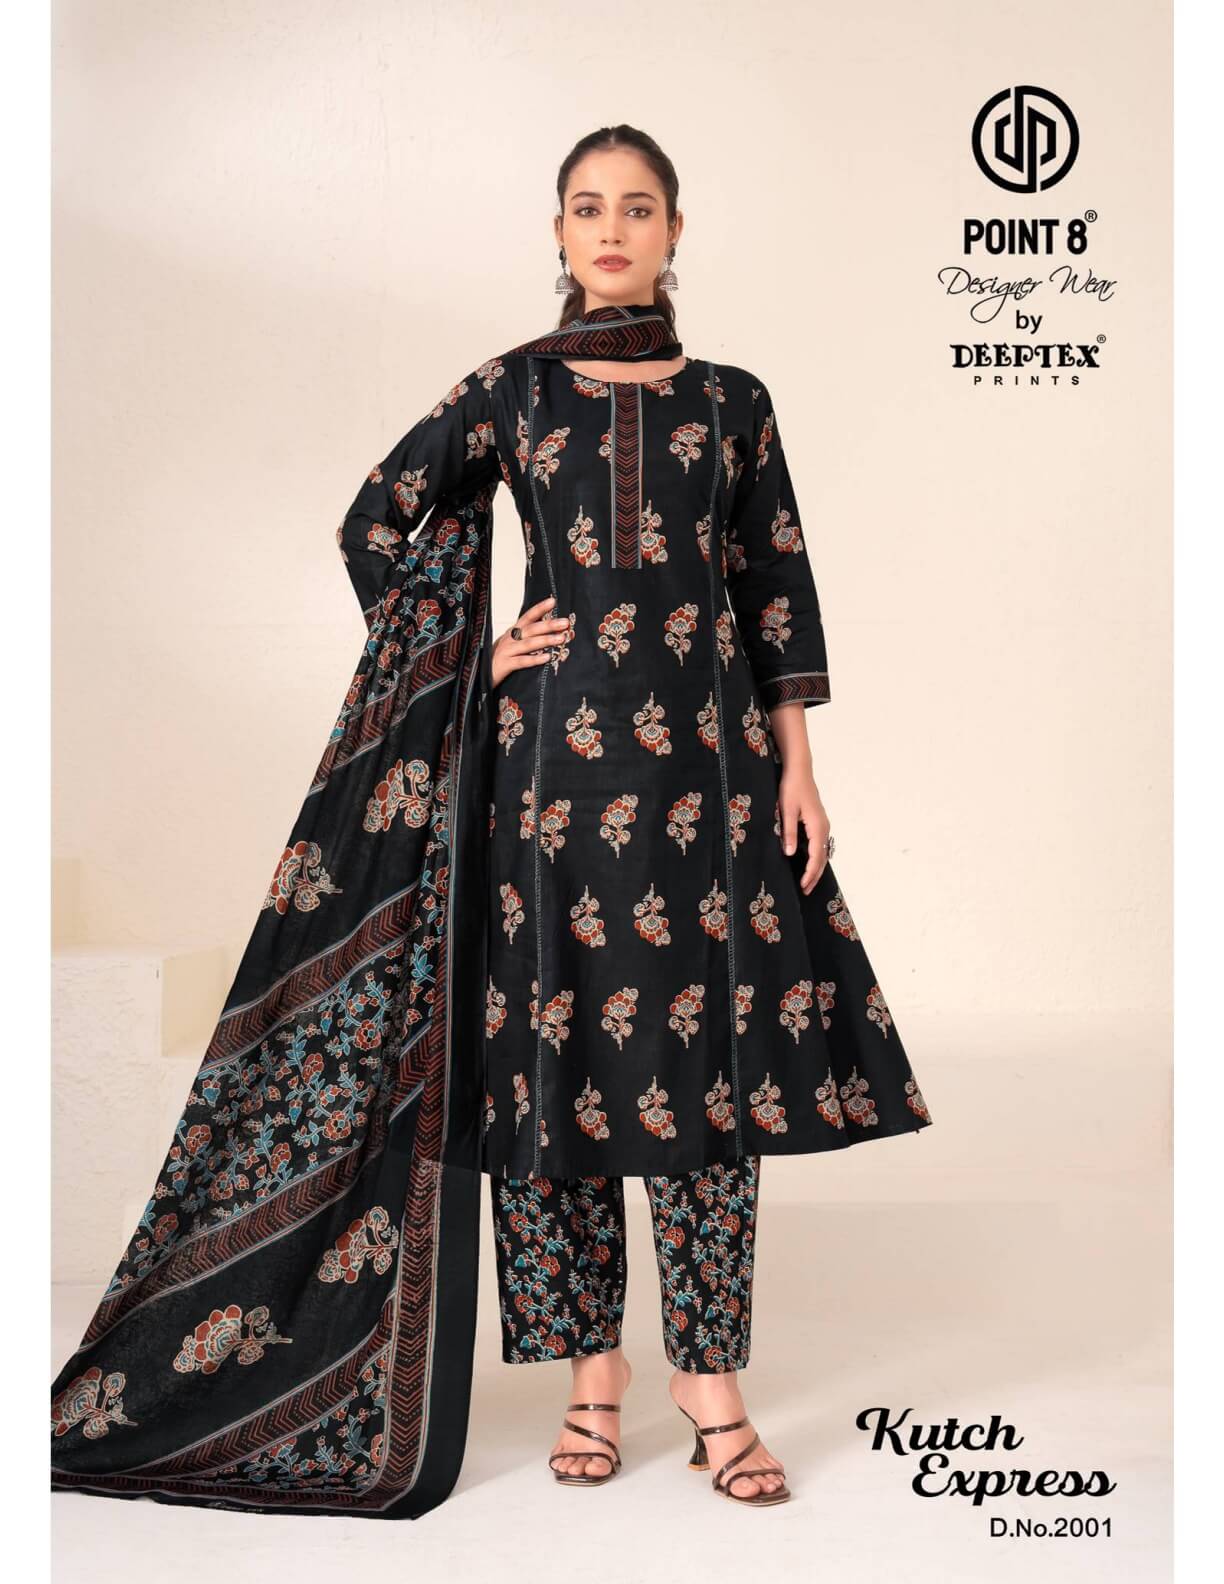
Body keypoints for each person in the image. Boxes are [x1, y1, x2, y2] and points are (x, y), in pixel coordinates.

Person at [50, 124, 931, 1519]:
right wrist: (473, 657)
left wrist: (799, 770)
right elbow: (377, 520)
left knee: (707, 1072)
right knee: (553, 1067)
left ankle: (712, 1384)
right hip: (548, 791)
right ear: (559, 232)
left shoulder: (734, 402)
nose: (613, 228)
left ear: (676, 231)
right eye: (588, 207)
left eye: (638, 207)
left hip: (709, 787)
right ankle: (593, 1376)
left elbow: (776, 586)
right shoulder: (514, 391)